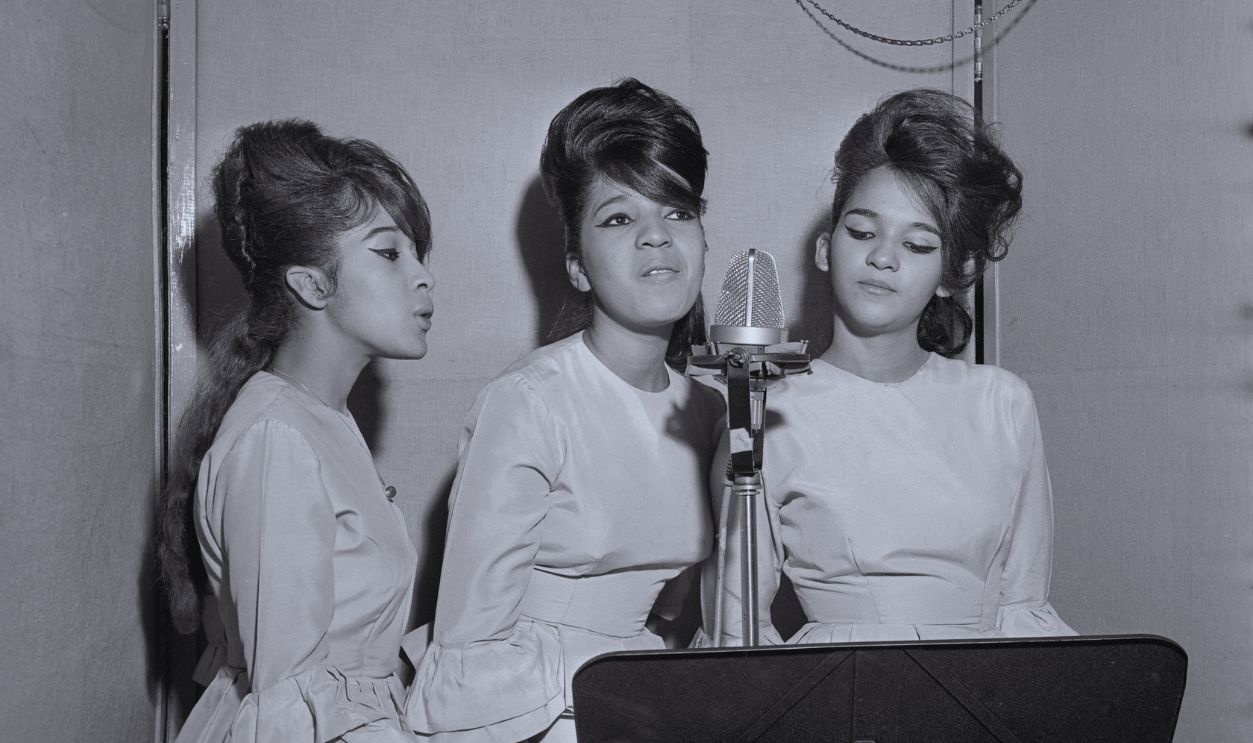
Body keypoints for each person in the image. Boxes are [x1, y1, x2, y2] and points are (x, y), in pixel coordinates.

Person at [404, 79, 724, 742]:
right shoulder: (529, 403)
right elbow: (466, 651)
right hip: (532, 715)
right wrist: (624, 689)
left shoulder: (710, 411)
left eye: (677, 211)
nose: (655, 237)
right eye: (619, 218)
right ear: (577, 265)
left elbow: (676, 615)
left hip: (645, 702)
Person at [701, 89, 1074, 647]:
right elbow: (738, 628)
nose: (882, 257)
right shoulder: (763, 411)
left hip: (987, 684)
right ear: (825, 249)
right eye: (862, 232)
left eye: (917, 244)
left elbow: (1024, 602)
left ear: (949, 275)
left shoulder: (1002, 403)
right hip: (836, 688)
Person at [156, 120, 436, 742]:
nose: (423, 277)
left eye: (418, 254)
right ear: (311, 284)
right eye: (390, 253)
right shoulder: (276, 438)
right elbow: (291, 705)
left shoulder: (323, 419)